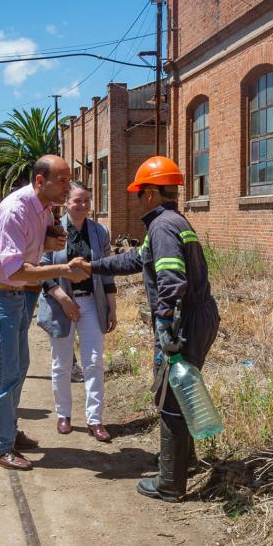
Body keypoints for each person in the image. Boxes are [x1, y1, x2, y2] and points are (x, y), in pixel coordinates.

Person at [71, 156, 220, 501]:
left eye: (139, 193)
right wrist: (92, 266)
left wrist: (167, 322)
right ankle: (184, 462)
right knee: (179, 390)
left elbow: (171, 278)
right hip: (196, 316)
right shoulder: (172, 222)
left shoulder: (163, 227)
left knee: (171, 395)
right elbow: (134, 260)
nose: (138, 199)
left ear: (151, 193)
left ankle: (170, 482)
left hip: (184, 320)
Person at [0, 155, 84, 471]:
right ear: (39, 180)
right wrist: (63, 268)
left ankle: (7, 430)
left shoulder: (45, 208)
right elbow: (15, 268)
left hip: (14, 293)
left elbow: (32, 250)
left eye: (69, 179)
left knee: (18, 365)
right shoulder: (16, 210)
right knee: (6, 369)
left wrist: (50, 241)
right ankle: (0, 446)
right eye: (62, 180)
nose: (68, 187)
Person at [37, 181, 117, 442]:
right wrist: (63, 300)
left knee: (93, 361)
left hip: (91, 302)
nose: (82, 205)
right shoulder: (53, 230)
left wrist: (111, 307)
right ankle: (64, 414)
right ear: (66, 202)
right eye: (77, 200)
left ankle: (95, 420)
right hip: (60, 302)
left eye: (86, 200)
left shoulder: (99, 232)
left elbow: (106, 270)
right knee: (61, 363)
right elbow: (42, 271)